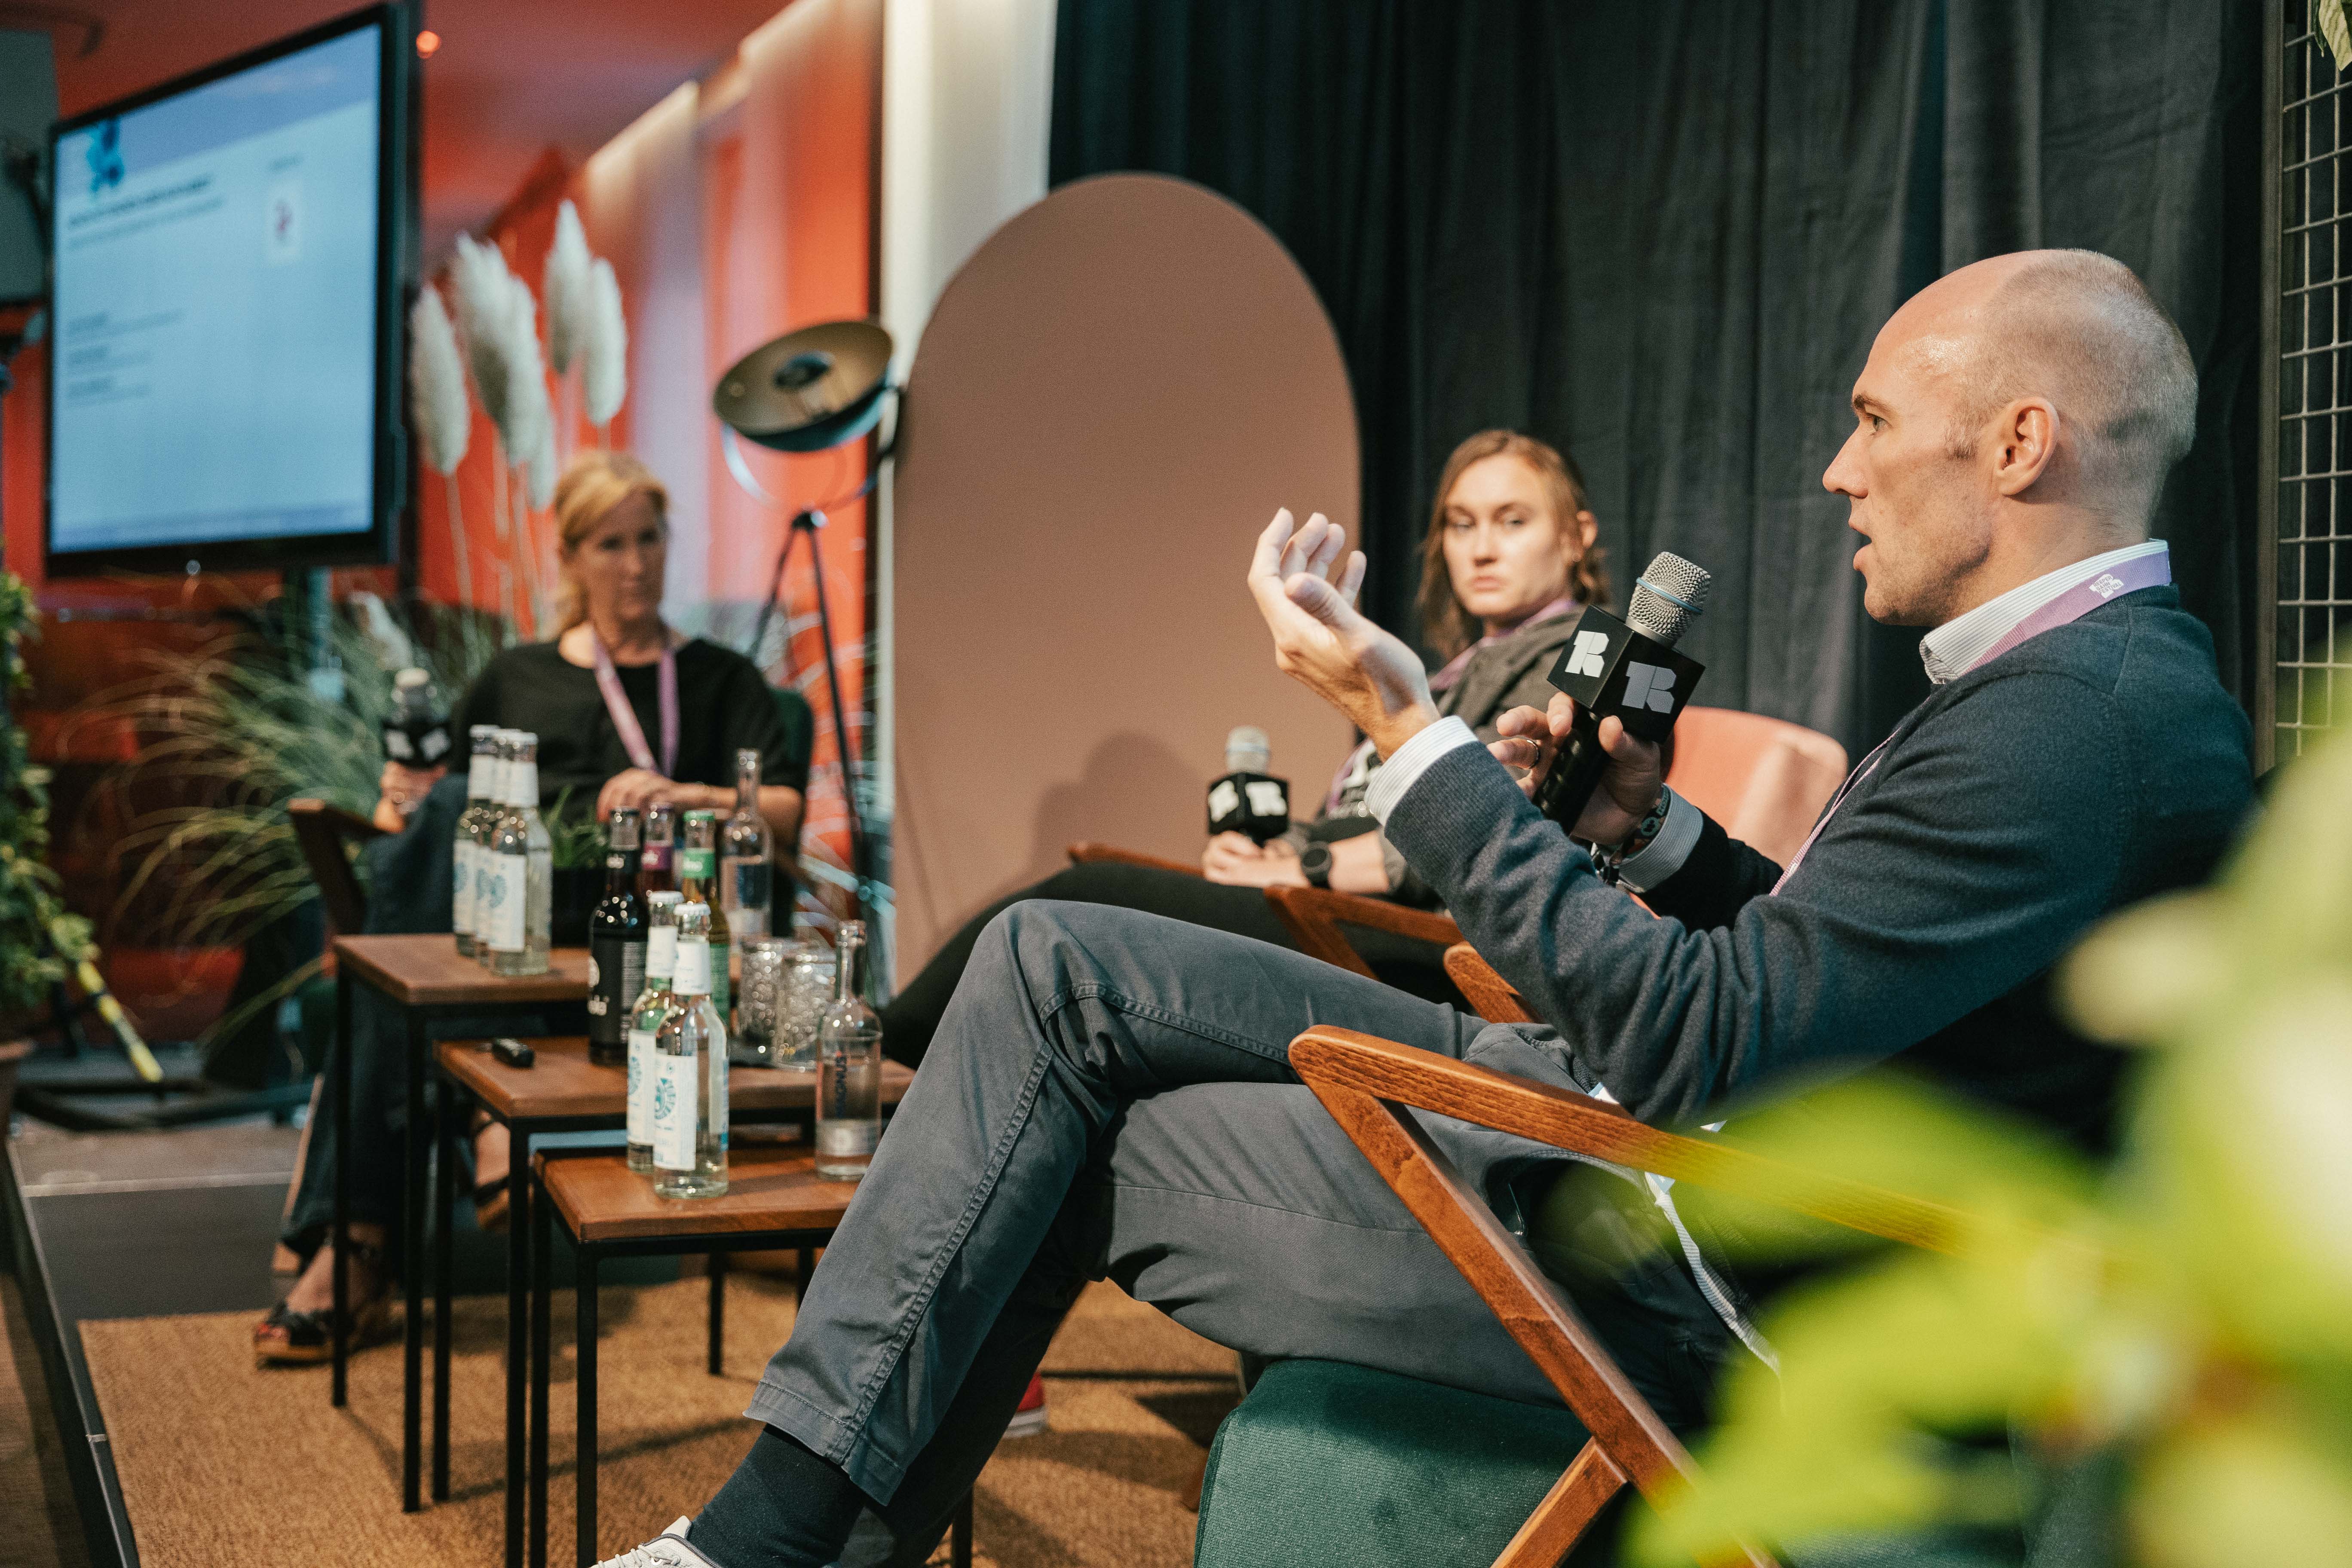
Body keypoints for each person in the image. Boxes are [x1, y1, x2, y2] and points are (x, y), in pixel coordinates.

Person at [591, 250, 2251, 1568]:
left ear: (2019, 442)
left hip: (1684, 1254)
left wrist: (1408, 734)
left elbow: (1695, 1034)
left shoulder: (2075, 721)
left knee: (1053, 1132)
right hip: (1650, 1138)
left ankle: (769, 1542)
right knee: (1047, 961)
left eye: (1877, 420)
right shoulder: (2088, 688)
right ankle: (779, 1537)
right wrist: (1655, 833)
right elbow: (1833, 969)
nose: (1837, 468)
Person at [257, 450, 808, 1366]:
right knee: (447, 807)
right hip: (505, 927)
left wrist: (680, 791)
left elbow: (781, 810)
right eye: (610, 544)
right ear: (574, 558)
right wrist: (402, 795)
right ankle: (469, 1135)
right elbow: (422, 812)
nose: (634, 564)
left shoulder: (720, 680)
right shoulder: (516, 677)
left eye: (649, 539)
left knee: (377, 982)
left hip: (643, 935)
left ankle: (353, 1251)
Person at [877, 429, 1607, 1065]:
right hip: (1339, 909)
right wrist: (1271, 850)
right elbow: (1365, 813)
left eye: (1512, 522)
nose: (1481, 547)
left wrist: (1306, 864)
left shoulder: (1581, 656)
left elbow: (1494, 822)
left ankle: (875, 1044)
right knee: (1088, 906)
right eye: (1460, 523)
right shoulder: (1459, 670)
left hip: (1433, 946)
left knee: (1083, 904)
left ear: (1577, 536)